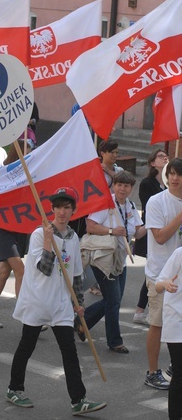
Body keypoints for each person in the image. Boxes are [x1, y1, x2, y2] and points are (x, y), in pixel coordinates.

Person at [6, 187, 106, 415]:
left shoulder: (73, 238)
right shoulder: (39, 234)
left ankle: (78, 399)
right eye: (58, 206)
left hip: (61, 304)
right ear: (51, 209)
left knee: (69, 350)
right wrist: (49, 241)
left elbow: (77, 275)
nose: (62, 211)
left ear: (73, 210)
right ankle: (14, 389)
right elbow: (44, 268)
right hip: (38, 301)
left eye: (67, 207)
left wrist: (78, 303)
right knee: (27, 345)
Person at [76, 171, 145, 353]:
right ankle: (115, 341)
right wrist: (110, 231)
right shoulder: (105, 202)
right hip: (102, 259)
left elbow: (138, 233)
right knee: (113, 301)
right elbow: (90, 226)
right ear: (114, 185)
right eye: (119, 185)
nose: (122, 189)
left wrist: (153, 223)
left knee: (113, 300)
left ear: (131, 188)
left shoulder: (130, 206)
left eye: (126, 186)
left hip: (119, 260)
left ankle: (82, 322)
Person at [0, 141, 30, 328]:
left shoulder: (30, 175)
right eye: (28, 153)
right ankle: (27, 318)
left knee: (3, 271)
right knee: (20, 270)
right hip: (3, 228)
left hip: (19, 227)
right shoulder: (4, 175)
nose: (31, 156)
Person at [144, 158, 182, 390]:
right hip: (161, 274)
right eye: (172, 174)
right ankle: (152, 372)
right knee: (158, 324)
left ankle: (174, 366)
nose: (175, 178)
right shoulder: (156, 202)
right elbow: (160, 237)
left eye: (180, 174)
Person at [133, 149, 168, 325]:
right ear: (153, 163)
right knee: (154, 273)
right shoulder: (147, 183)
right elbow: (150, 206)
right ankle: (141, 310)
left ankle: (141, 310)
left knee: (159, 272)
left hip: (165, 231)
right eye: (161, 156)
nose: (165, 158)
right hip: (151, 231)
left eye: (166, 156)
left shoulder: (168, 185)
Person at [155, 248, 182, 420]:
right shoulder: (180, 254)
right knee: (181, 372)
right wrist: (167, 284)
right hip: (177, 320)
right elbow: (158, 284)